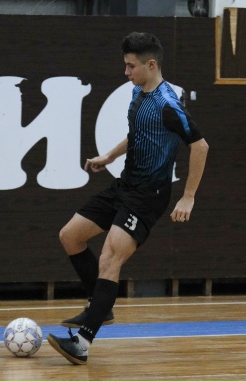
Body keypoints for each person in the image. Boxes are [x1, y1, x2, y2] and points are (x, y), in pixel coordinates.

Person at [47, 31, 209, 365]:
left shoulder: (169, 105)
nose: (126, 72)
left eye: (131, 66)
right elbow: (139, 133)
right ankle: (100, 306)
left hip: (148, 197)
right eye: (125, 65)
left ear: (151, 65)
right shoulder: (138, 92)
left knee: (110, 258)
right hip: (124, 186)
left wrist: (188, 197)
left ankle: (82, 343)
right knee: (70, 236)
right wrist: (108, 156)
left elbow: (200, 146)